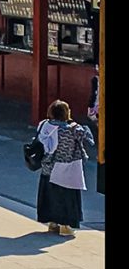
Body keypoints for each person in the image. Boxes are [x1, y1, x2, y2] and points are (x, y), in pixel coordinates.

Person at [36, 99, 94, 237]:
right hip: (67, 169)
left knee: (49, 196)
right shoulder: (73, 129)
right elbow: (89, 139)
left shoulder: (44, 125)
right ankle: (65, 226)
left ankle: (52, 223)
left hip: (48, 168)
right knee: (67, 198)